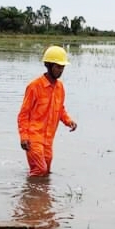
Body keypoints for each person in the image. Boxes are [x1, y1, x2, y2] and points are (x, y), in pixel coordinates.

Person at [18, 45, 77, 178]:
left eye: (63, 67)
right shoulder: (34, 86)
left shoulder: (60, 87)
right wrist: (24, 137)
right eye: (58, 67)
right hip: (33, 138)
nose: (61, 70)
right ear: (49, 65)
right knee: (40, 169)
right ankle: (30, 196)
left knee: (46, 172)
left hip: (48, 140)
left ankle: (39, 197)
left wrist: (69, 121)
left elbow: (60, 109)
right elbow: (23, 114)